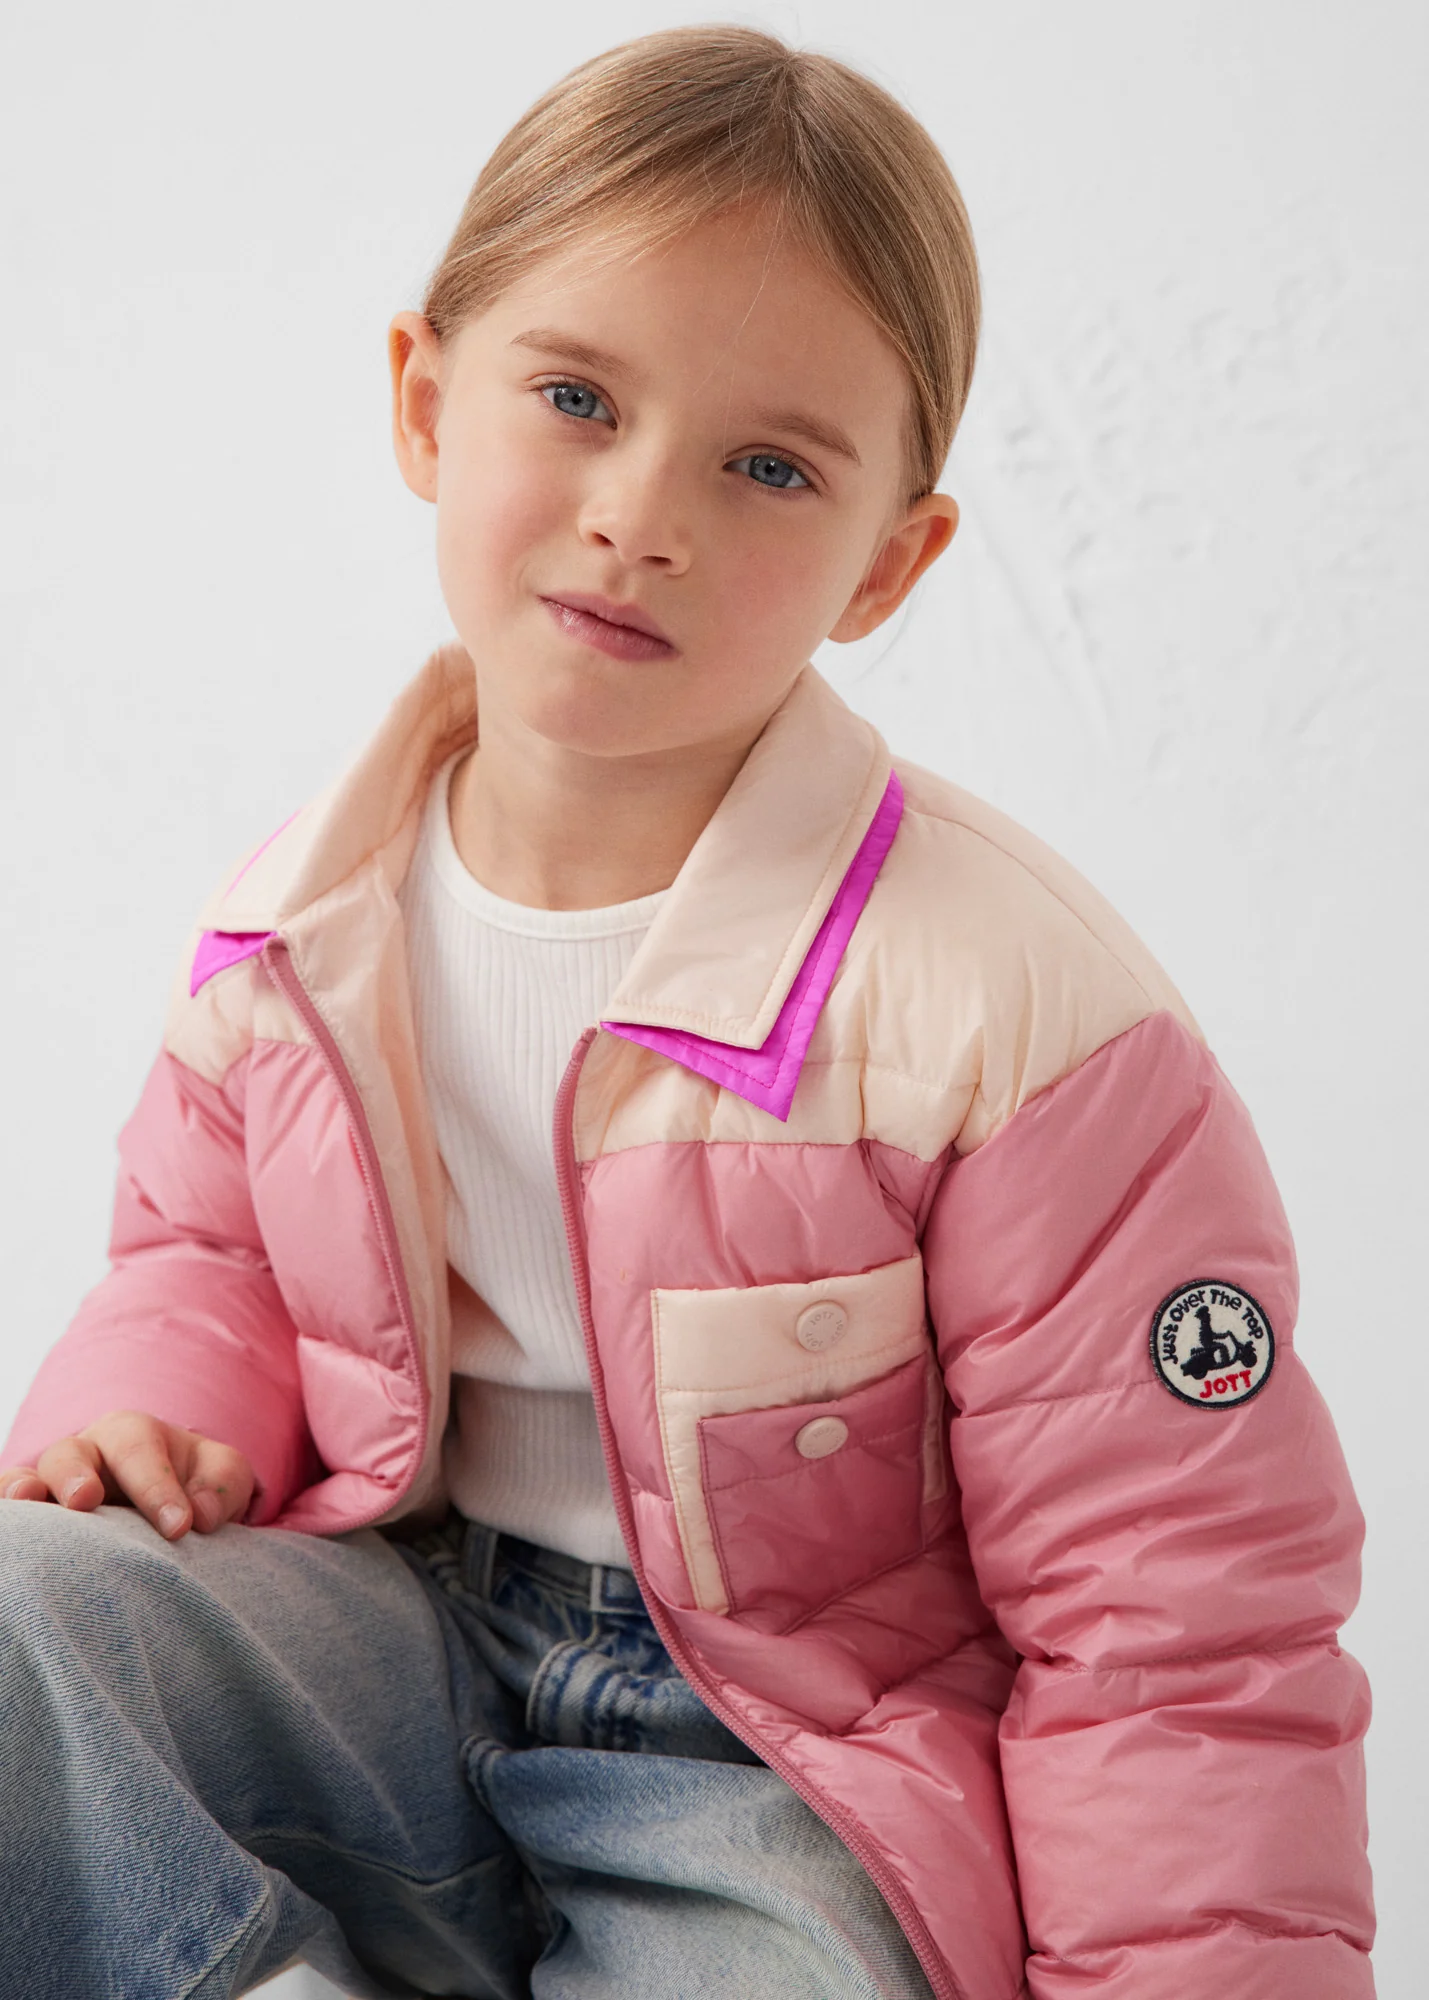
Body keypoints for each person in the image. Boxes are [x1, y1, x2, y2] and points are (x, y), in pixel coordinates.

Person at [0, 24, 1374, 2000]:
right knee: (28, 1621)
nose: (641, 513)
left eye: (768, 466)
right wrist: (155, 1417)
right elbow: (204, 1257)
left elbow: (1174, 1615)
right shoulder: (303, 919)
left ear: (888, 562)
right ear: (425, 403)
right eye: (575, 397)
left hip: (780, 1743)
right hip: (398, 1634)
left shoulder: (1010, 1016)